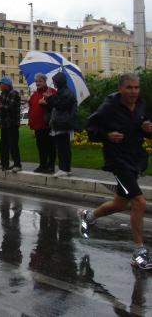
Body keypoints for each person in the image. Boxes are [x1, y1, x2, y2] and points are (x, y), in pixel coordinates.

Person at [80, 73, 152, 270]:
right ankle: (139, 252)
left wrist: (147, 129)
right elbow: (91, 127)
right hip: (117, 161)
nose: (133, 92)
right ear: (120, 89)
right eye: (129, 88)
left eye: (136, 87)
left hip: (134, 159)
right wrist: (107, 135)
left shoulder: (141, 105)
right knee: (139, 201)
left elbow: (143, 129)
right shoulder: (109, 106)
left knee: (120, 204)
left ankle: (89, 216)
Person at [39, 72, 77, 177]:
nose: (53, 83)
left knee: (63, 147)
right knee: (62, 146)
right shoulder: (61, 91)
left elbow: (60, 105)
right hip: (61, 122)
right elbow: (55, 101)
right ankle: (66, 168)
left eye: (55, 81)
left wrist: (49, 98)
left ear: (59, 82)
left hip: (63, 122)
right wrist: (49, 97)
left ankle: (64, 168)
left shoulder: (66, 93)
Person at [0, 76, 22, 172]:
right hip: (4, 124)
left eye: (1, 84)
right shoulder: (3, 94)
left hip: (12, 123)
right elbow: (1, 108)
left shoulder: (14, 93)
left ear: (6, 85)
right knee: (3, 145)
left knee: (13, 145)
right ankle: (4, 164)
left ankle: (17, 164)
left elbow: (10, 107)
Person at [28, 73, 56, 174]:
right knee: (40, 147)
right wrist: (31, 123)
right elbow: (31, 109)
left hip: (47, 125)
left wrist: (47, 102)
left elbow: (56, 106)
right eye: (36, 81)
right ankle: (42, 165)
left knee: (50, 146)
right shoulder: (34, 95)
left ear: (45, 82)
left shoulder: (51, 92)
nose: (38, 83)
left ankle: (51, 166)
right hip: (37, 126)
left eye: (40, 81)